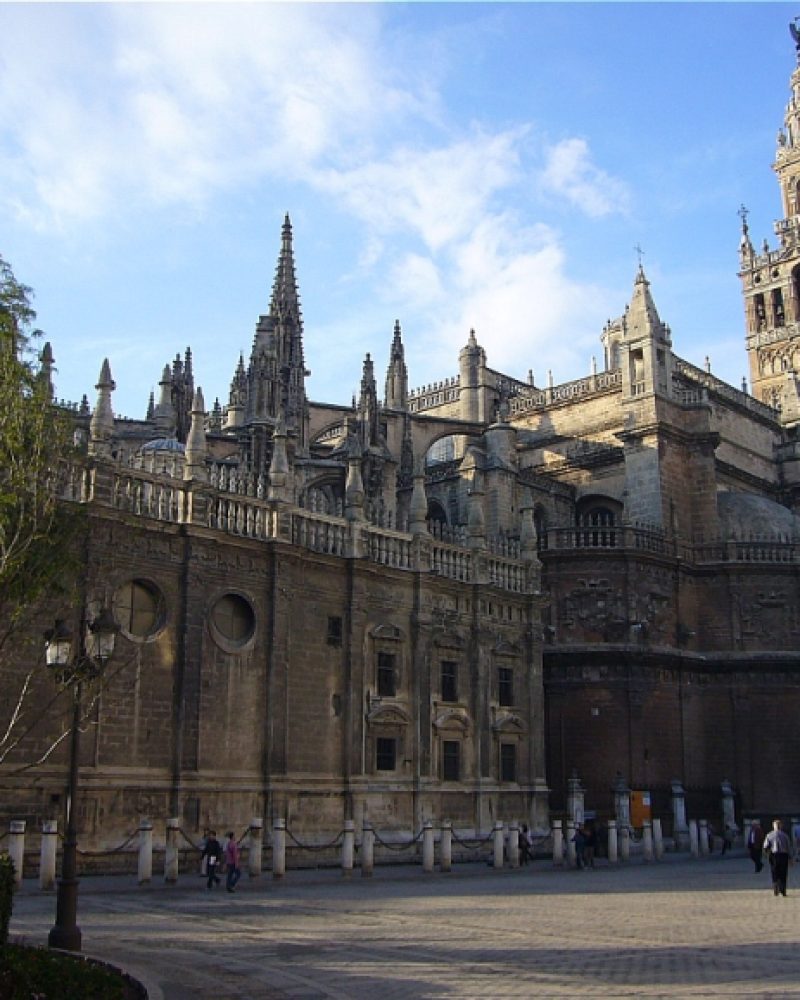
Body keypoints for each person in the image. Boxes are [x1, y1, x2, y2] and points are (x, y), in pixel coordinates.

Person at [763, 819, 791, 897]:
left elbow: (765, 846)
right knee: (783, 873)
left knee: (774, 872)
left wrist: (766, 854)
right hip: (783, 855)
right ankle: (783, 890)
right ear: (781, 826)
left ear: (773, 826)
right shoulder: (785, 835)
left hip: (774, 855)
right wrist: (790, 858)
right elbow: (788, 847)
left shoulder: (769, 835)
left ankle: (776, 889)